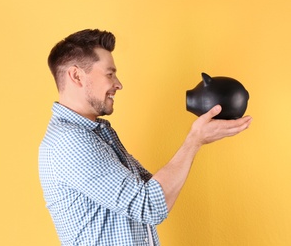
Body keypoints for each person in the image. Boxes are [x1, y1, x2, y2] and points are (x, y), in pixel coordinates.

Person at [39, 29, 252, 246]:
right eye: (109, 74)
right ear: (76, 76)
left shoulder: (96, 134)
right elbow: (149, 206)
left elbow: (153, 191)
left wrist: (199, 137)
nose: (118, 84)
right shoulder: (69, 142)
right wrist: (194, 140)